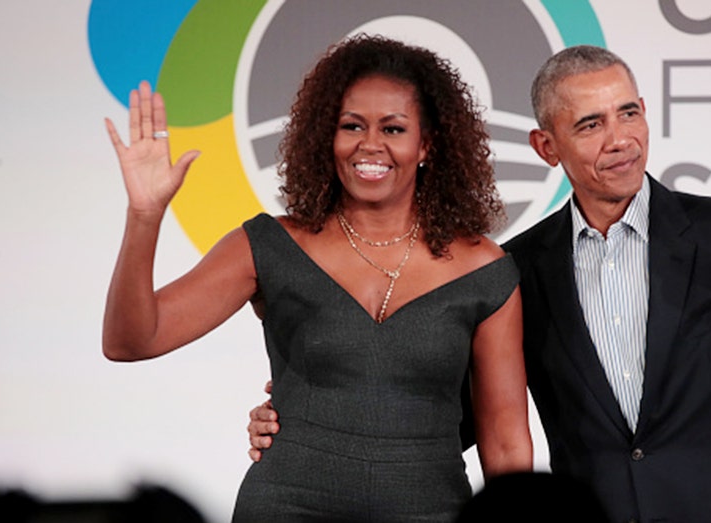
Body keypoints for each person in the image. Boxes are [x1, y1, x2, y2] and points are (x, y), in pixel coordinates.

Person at [248, 45, 711, 522]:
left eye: (628, 113)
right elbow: (454, 420)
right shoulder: (514, 269)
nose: (620, 140)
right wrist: (307, 417)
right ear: (545, 145)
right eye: (590, 124)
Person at [102, 35, 532, 523]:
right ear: (327, 137)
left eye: (393, 128)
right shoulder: (270, 246)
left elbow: (505, 440)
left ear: (426, 144)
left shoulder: (483, 269)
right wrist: (144, 214)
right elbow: (131, 340)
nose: (370, 144)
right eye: (352, 126)